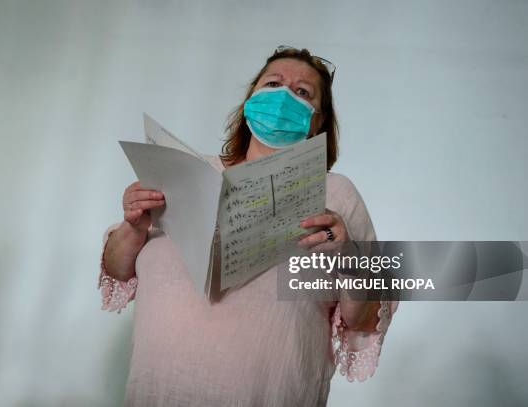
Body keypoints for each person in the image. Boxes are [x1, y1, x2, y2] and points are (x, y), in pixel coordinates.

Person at [98, 46, 398, 406]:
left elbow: (365, 320)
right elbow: (118, 269)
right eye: (273, 84)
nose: (284, 96)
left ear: (318, 121)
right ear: (249, 101)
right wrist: (133, 225)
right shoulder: (184, 174)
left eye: (302, 92)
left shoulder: (336, 193)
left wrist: (347, 256)